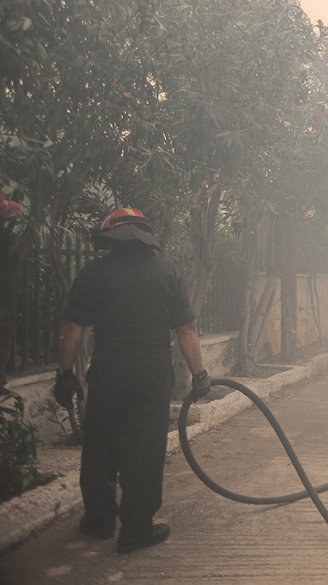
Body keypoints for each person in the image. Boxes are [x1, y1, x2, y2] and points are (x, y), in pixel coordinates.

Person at [53, 208, 211, 553]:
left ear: (110, 239)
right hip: (152, 373)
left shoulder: (93, 272)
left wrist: (65, 374)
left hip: (109, 367)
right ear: (147, 237)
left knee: (100, 445)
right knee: (145, 449)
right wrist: (200, 376)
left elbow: (71, 328)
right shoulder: (167, 272)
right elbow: (186, 329)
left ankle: (99, 521)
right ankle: (136, 529)